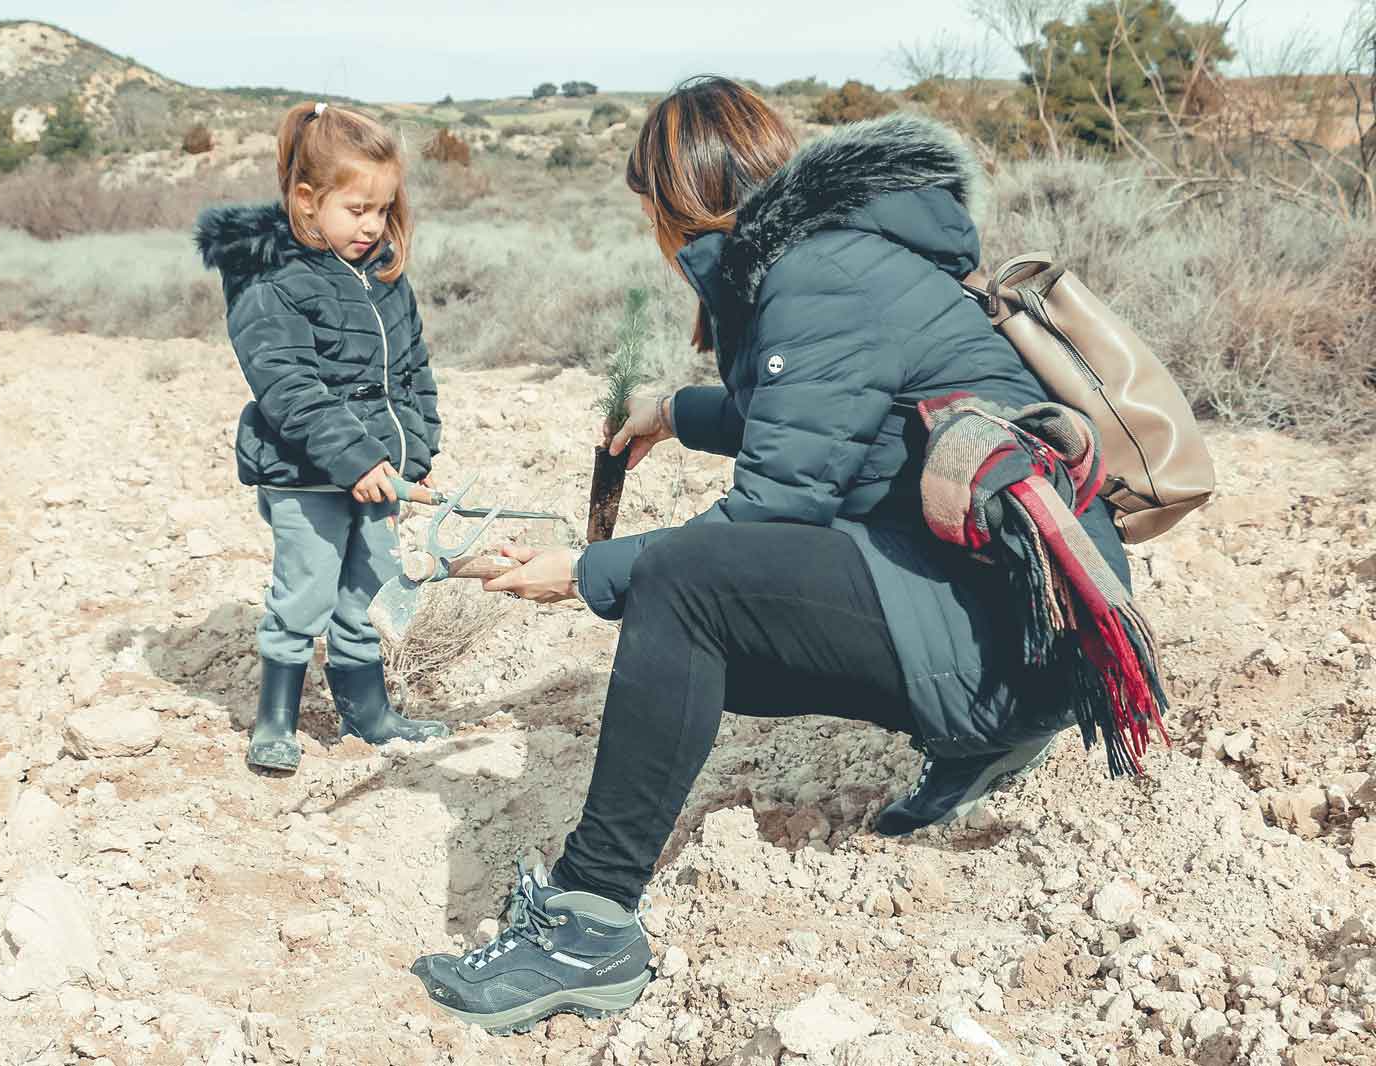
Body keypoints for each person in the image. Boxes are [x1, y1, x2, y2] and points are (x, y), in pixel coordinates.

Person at [409, 77, 1136, 1034]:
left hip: (1023, 647)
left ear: (679, 205)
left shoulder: (817, 275)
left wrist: (581, 572)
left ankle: (589, 926)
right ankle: (985, 740)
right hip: (1032, 625)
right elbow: (812, 416)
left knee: (685, 591)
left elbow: (769, 519)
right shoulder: (838, 252)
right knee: (697, 622)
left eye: (651, 214)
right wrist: (670, 413)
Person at [195, 101, 449, 771]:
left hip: (379, 476)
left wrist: (414, 454)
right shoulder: (271, 283)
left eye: (383, 210)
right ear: (308, 202)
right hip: (306, 473)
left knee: (363, 590)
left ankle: (369, 716)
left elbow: (414, 372)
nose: (372, 226)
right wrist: (356, 457)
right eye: (356, 209)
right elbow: (289, 389)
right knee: (307, 589)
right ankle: (275, 718)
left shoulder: (385, 279)